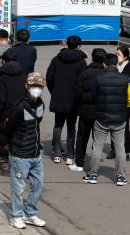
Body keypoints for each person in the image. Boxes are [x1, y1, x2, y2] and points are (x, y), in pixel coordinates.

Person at [82, 53, 130, 186]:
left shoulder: (98, 78)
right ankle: (120, 176)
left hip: (101, 118)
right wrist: (123, 109)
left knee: (97, 146)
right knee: (120, 148)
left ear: (104, 64)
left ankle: (93, 174)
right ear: (117, 64)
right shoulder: (126, 79)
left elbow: (93, 97)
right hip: (119, 119)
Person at [6, 72, 47, 230]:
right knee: (18, 188)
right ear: (27, 86)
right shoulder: (20, 107)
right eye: (33, 85)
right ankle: (16, 216)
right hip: (20, 155)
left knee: (38, 185)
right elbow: (8, 126)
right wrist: (9, 144)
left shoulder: (40, 105)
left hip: (35, 153)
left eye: (39, 86)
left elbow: (37, 123)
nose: (36, 88)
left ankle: (30, 213)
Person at [46, 35, 87, 165]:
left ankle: (57, 154)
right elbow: (82, 82)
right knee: (71, 126)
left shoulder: (56, 59)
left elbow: (49, 78)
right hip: (73, 98)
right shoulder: (81, 62)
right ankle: (70, 156)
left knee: (58, 125)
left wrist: (54, 91)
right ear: (79, 46)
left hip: (59, 96)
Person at [0, 48, 28, 175]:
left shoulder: (2, 77)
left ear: (3, 61)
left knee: (2, 137)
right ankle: (19, 167)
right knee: (18, 138)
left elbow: (0, 99)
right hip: (21, 112)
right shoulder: (24, 74)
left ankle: (5, 165)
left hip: (6, 113)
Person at [70, 48, 106, 172]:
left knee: (82, 137)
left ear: (92, 57)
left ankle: (79, 163)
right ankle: (95, 165)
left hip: (85, 110)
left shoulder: (85, 73)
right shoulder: (105, 74)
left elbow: (77, 92)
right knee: (98, 139)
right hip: (101, 111)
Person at [108, 45, 130, 161]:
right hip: (113, 103)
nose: (117, 56)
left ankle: (126, 151)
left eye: (119, 54)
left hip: (125, 104)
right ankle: (113, 149)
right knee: (113, 127)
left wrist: (128, 101)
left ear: (125, 57)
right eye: (116, 54)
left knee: (124, 128)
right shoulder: (114, 67)